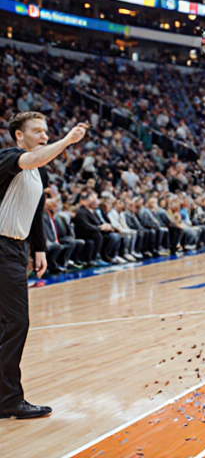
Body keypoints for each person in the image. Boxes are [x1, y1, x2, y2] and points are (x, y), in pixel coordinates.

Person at [0, 112, 87, 419]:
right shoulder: (8, 157)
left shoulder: (41, 173)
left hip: (15, 248)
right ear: (19, 136)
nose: (44, 135)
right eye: (37, 131)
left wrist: (39, 249)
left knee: (7, 324)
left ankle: (5, 397)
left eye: (46, 131)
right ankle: (9, 400)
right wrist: (68, 140)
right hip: (1, 247)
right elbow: (32, 160)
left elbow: (35, 214)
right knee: (16, 323)